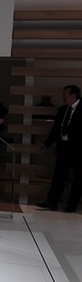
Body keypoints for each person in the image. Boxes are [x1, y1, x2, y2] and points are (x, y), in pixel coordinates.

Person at [37, 85, 81, 213]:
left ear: (73, 95)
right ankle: (52, 202)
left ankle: (72, 205)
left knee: (77, 178)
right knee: (59, 176)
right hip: (64, 148)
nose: (63, 97)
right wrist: (47, 143)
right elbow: (56, 129)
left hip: (78, 149)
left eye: (65, 95)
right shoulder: (63, 109)